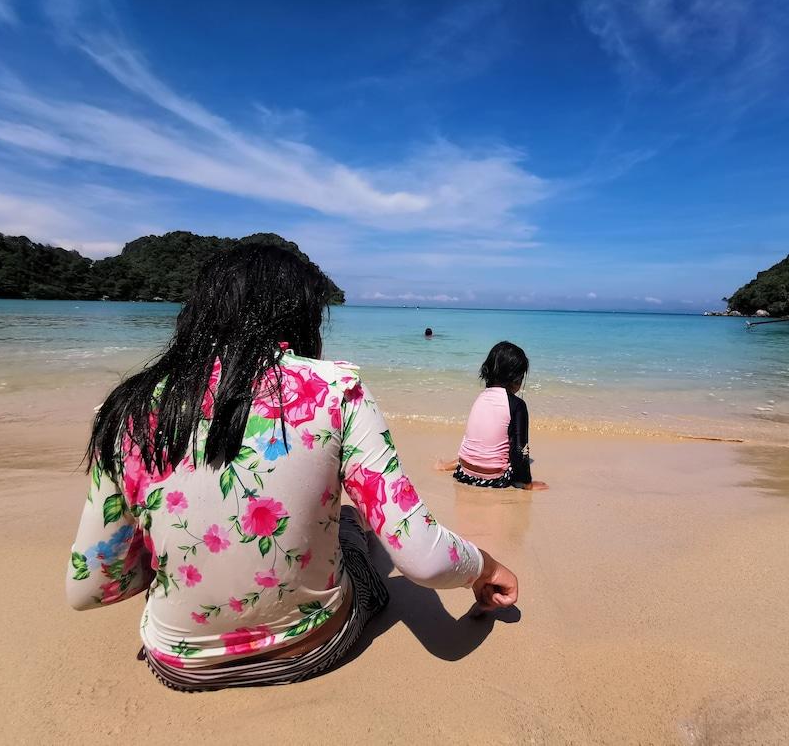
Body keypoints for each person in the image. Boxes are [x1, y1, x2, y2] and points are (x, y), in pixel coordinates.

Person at [65, 243, 518, 691]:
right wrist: (487, 567)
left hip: (179, 666)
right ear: (300, 317)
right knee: (348, 522)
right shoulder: (335, 389)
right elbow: (424, 558)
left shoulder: (128, 408)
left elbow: (91, 588)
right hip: (315, 646)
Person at [442, 341, 548, 490]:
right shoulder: (517, 405)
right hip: (493, 479)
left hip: (464, 473)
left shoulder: (481, 397)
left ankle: (454, 463)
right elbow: (520, 449)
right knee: (511, 454)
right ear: (516, 378)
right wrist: (527, 483)